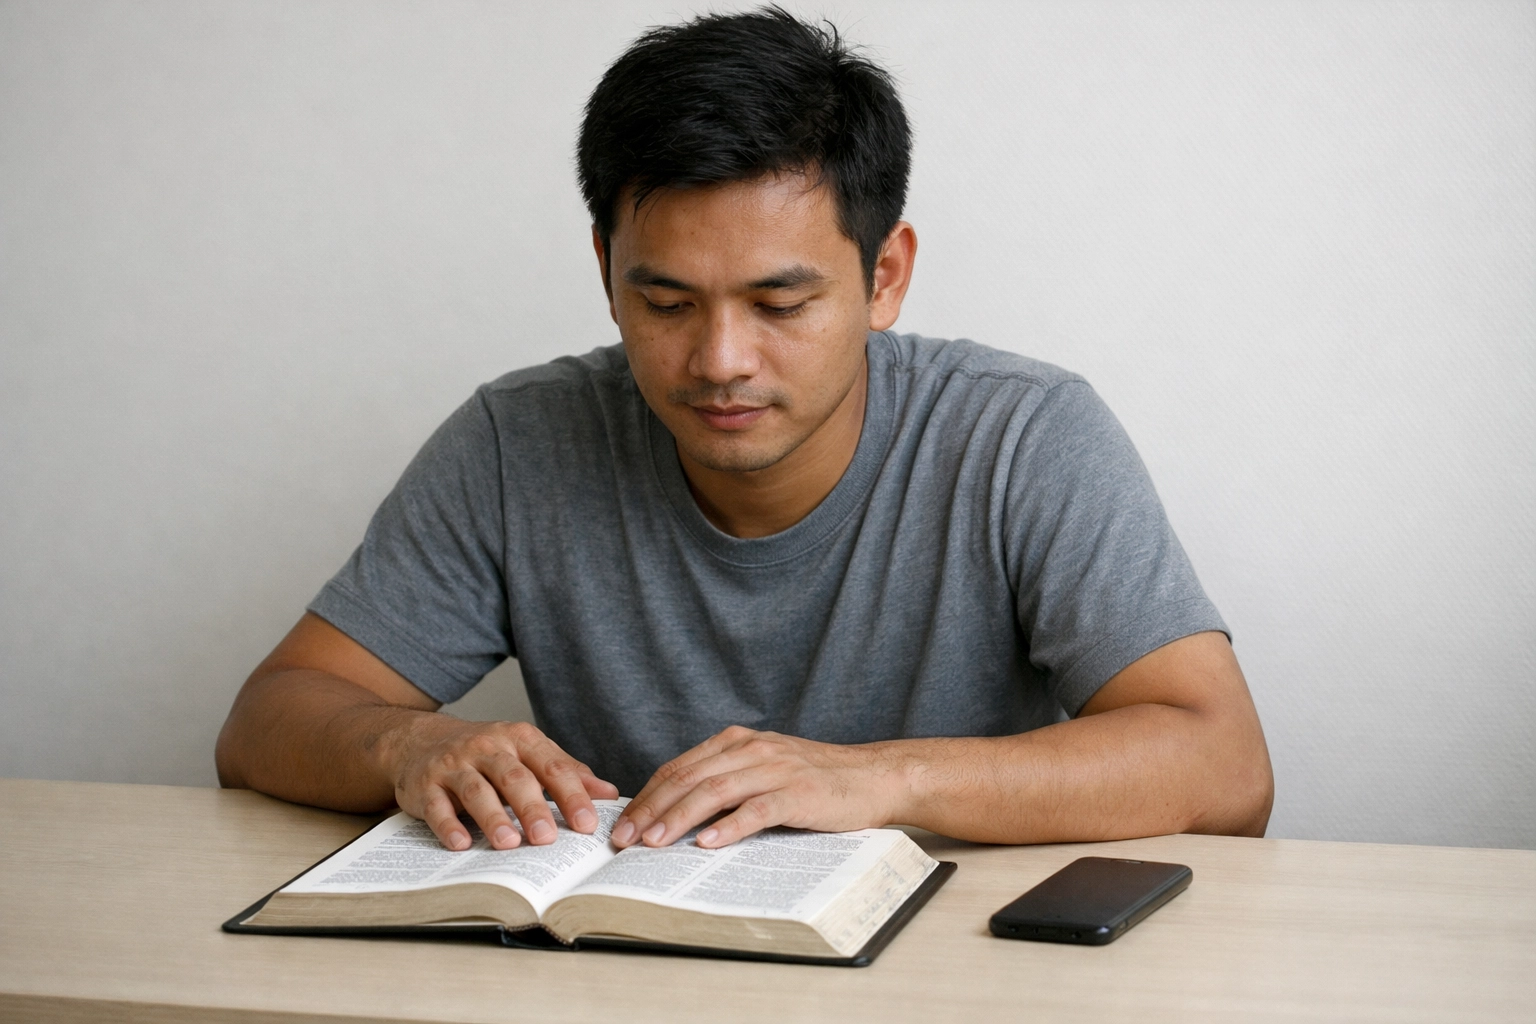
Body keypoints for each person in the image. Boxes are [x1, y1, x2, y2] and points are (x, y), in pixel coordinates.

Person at [216, 7, 1272, 855]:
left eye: (780, 303)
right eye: (667, 303)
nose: (719, 359)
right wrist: (408, 745)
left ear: (884, 276)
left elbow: (1224, 766)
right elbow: (267, 718)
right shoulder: (518, 441)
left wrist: (877, 778)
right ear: (607, 272)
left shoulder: (1022, 436)